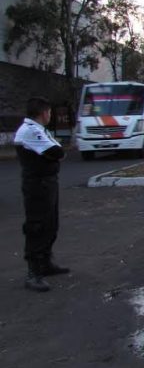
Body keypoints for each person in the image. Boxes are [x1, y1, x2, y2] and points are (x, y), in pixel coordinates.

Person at [14, 96, 69, 292]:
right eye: (49, 112)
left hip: (47, 183)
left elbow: (57, 151)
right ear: (43, 112)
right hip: (37, 185)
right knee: (36, 226)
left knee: (50, 224)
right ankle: (33, 273)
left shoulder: (39, 129)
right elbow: (56, 152)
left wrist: (56, 154)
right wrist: (56, 155)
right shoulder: (30, 130)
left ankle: (46, 263)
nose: (50, 115)